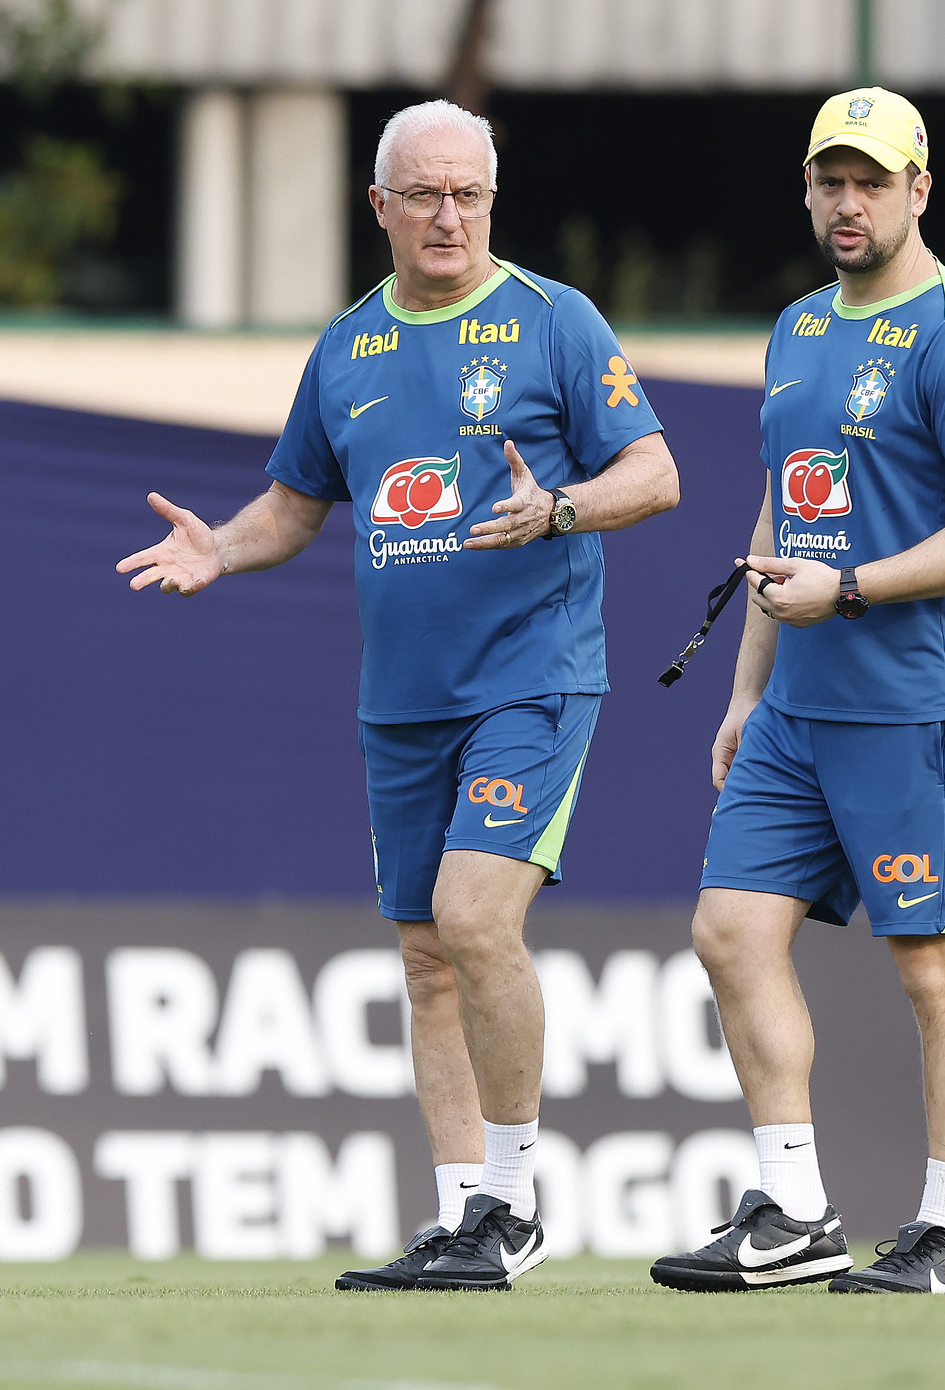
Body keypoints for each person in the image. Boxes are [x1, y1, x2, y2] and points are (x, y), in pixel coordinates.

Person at [118, 99, 679, 1291]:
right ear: (377, 206)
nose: (447, 216)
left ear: (490, 200)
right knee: (426, 958)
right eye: (422, 194)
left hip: (531, 674)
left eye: (468, 194)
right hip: (402, 699)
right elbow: (295, 504)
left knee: (475, 919)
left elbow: (656, 471)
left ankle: (513, 1203)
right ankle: (457, 1215)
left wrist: (561, 507)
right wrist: (219, 547)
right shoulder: (347, 346)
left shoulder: (553, 322)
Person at [649, 88, 945, 1295]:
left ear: (919, 190)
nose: (847, 200)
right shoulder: (797, 329)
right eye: (829, 178)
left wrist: (855, 587)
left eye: (871, 180)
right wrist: (742, 689)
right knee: (727, 931)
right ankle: (794, 1210)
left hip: (923, 704)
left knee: (934, 967)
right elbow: (782, 508)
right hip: (796, 708)